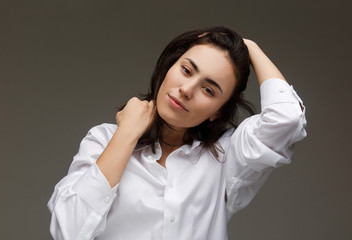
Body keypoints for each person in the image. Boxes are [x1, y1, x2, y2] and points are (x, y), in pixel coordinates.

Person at [48, 26, 307, 240]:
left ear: (217, 111)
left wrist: (247, 45)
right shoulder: (104, 140)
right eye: (186, 70)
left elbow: (287, 118)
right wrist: (126, 134)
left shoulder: (227, 157)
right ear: (170, 66)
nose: (186, 89)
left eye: (209, 90)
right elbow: (68, 230)